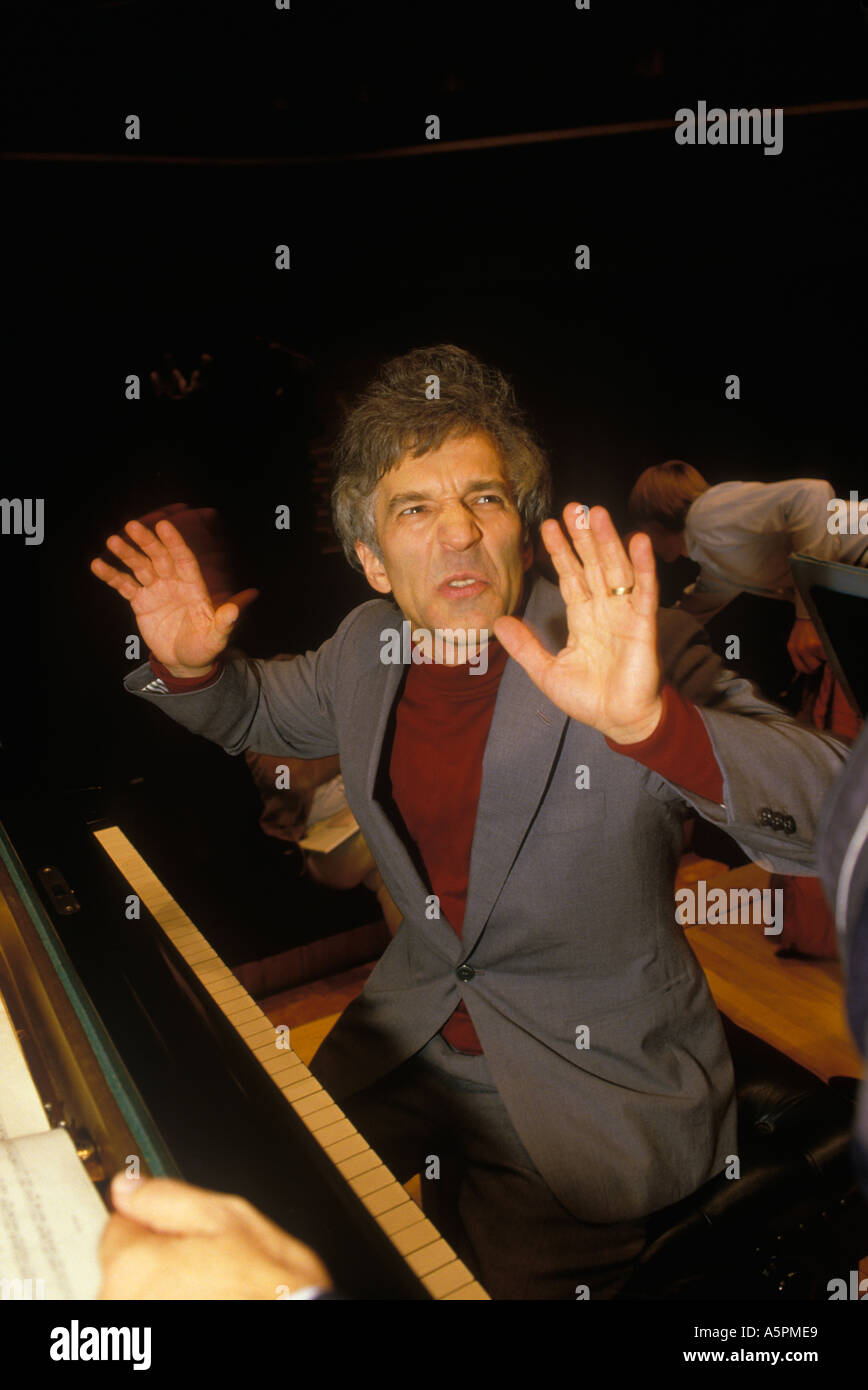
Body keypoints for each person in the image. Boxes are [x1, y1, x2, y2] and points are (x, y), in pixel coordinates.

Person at [91, 344, 849, 1299]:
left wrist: (658, 725)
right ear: (372, 560)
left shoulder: (631, 649)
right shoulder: (368, 645)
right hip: (406, 1032)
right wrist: (196, 669)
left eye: (484, 500)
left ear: (522, 533)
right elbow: (253, 709)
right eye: (415, 509)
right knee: (255, 1202)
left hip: (590, 1090)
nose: (457, 534)